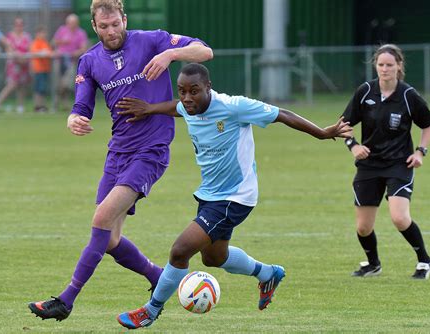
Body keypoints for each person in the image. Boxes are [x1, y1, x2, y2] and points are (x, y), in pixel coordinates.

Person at [115, 63, 352, 330]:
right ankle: (268, 273)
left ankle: (150, 310)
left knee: (180, 251)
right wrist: (149, 108)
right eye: (182, 91)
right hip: (210, 195)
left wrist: (322, 133)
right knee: (213, 258)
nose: (187, 98)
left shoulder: (233, 106)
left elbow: (281, 113)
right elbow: (177, 108)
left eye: (194, 91)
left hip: (235, 197)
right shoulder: (188, 106)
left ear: (208, 87)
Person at [28, 0, 213, 322]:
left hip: (150, 151)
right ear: (94, 26)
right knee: (110, 239)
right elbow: (81, 107)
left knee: (101, 219)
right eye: (104, 26)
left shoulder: (151, 40)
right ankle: (158, 279)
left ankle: (66, 300)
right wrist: (73, 119)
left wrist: (170, 54)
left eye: (116, 24)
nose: (111, 31)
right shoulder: (89, 61)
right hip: (117, 153)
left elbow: (204, 51)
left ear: (124, 19)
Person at [341, 44, 430, 279]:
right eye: (380, 65)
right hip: (369, 165)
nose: (384, 69)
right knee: (363, 227)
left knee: (399, 217)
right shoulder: (365, 92)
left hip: (399, 164)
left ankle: (425, 261)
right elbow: (344, 124)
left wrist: (420, 152)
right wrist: (354, 146)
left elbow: (428, 125)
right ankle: (373, 264)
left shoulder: (408, 95)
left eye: (389, 65)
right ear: (375, 66)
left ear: (399, 66)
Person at [0, 17, 32, 113]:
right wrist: (16, 56)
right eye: (17, 25)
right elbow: (8, 49)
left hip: (24, 63)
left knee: (22, 85)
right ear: (14, 26)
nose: (19, 27)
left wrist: (24, 58)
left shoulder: (27, 36)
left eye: (21, 25)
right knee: (12, 84)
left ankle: (20, 106)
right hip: (13, 64)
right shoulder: (10, 36)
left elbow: (29, 49)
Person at [52, 13, 88, 110]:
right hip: (59, 59)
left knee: (66, 84)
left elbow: (83, 48)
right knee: (57, 82)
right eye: (70, 22)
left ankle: (61, 101)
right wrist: (62, 42)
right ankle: (59, 103)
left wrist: (76, 52)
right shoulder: (62, 30)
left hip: (72, 61)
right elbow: (54, 42)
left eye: (74, 22)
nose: (71, 24)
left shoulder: (81, 33)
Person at [30, 26, 53, 112]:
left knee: (43, 88)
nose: (43, 35)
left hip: (45, 69)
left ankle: (42, 105)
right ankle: (38, 105)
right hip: (38, 69)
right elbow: (35, 52)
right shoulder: (35, 43)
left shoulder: (45, 42)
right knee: (38, 88)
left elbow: (49, 52)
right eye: (41, 33)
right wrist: (43, 52)